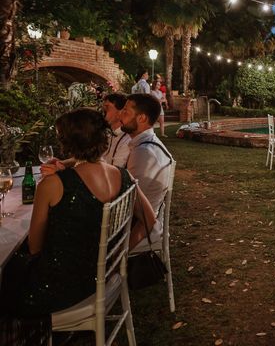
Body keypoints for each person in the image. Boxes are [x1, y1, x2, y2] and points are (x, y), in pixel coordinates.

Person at [0, 108, 155, 343]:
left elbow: (34, 247)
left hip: (61, 288)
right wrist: (118, 256)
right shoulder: (123, 176)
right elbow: (150, 220)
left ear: (67, 143)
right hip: (100, 276)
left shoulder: (52, 185)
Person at [120, 93, 174, 247]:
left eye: (125, 111)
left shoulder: (144, 152)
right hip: (141, 220)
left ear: (142, 118)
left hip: (139, 229)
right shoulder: (146, 145)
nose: (120, 115)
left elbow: (128, 202)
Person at [40, 92, 131, 175]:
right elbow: (87, 157)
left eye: (107, 107)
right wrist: (61, 163)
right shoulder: (103, 133)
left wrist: (63, 174)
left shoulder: (126, 140)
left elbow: (114, 173)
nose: (102, 109)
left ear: (121, 112)